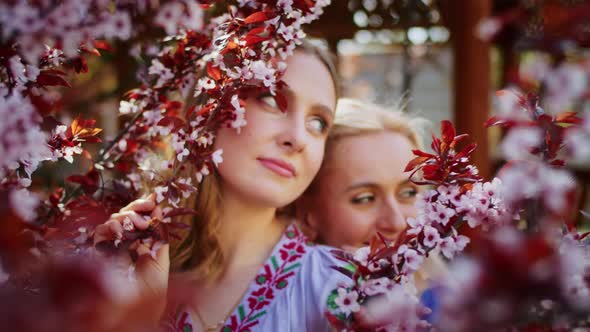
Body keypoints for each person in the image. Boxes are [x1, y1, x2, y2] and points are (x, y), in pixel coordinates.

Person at [97, 40, 350, 332]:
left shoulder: (341, 291)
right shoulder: (125, 263)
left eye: (318, 123)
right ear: (211, 106)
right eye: (271, 99)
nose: (298, 138)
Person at [296, 98, 447, 317]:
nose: (396, 222)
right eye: (365, 198)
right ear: (306, 214)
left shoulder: (453, 308)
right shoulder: (283, 312)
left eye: (408, 193)